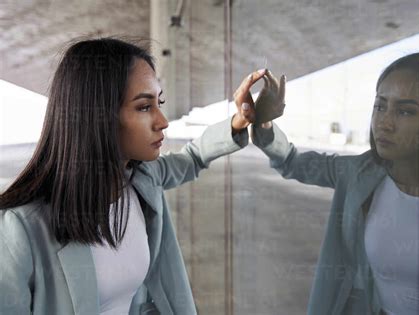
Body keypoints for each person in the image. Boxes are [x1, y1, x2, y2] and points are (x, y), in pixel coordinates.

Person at [0, 37, 266, 315]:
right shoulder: (21, 229)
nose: (162, 121)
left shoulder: (142, 180)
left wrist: (239, 121)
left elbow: (194, 157)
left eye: (158, 102)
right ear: (97, 116)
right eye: (144, 106)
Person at [246, 53, 419, 315]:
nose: (385, 123)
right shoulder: (360, 173)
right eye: (380, 106)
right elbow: (291, 161)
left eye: (405, 111)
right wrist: (264, 122)